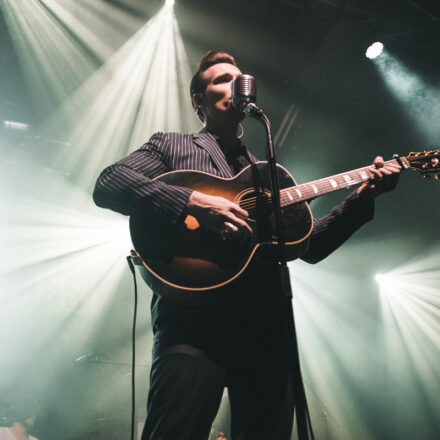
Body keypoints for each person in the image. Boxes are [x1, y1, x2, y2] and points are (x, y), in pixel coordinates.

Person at [93, 49, 401, 440]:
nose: (235, 84)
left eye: (239, 79)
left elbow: (311, 245)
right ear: (198, 100)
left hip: (265, 328)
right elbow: (109, 184)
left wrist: (362, 199)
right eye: (222, 79)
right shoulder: (172, 145)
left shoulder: (269, 172)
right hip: (192, 327)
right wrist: (193, 203)